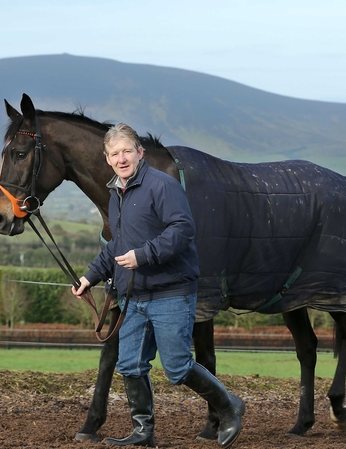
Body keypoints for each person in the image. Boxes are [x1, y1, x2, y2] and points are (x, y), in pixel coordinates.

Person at [73, 123, 245, 448]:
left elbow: (182, 230)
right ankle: (143, 432)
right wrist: (90, 276)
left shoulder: (162, 186)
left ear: (139, 152)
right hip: (133, 295)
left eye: (127, 151)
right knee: (130, 365)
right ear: (107, 159)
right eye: (114, 154)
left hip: (170, 292)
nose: (121, 158)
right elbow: (116, 244)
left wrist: (143, 256)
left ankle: (229, 406)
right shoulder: (117, 194)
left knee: (177, 368)